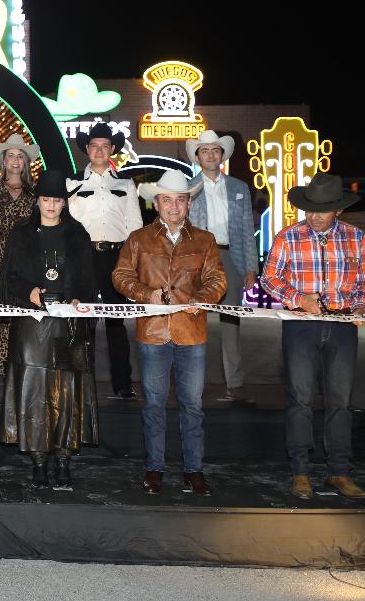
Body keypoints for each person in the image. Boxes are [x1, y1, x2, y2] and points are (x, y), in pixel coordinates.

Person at [260, 172, 365, 500]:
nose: (314, 216)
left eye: (322, 211)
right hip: (300, 326)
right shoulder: (288, 237)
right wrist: (299, 299)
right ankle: (300, 472)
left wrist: (360, 305)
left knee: (341, 402)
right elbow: (269, 278)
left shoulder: (356, 238)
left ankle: (339, 472)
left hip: (343, 326)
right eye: (309, 209)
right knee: (300, 401)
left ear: (338, 210)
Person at [112, 170, 226, 496]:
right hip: (153, 333)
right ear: (156, 203)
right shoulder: (138, 238)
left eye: (179, 200)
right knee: (154, 405)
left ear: (188, 203)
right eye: (167, 200)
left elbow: (217, 280)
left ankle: (194, 470)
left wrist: (200, 299)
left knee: (193, 406)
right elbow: (120, 275)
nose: (173, 206)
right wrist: (145, 293)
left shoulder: (205, 240)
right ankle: (155, 469)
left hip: (192, 332)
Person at [0, 170, 98, 489]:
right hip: (32, 326)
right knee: (34, 394)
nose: (51, 206)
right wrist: (28, 292)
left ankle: (64, 460)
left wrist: (79, 297)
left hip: (68, 325)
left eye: (57, 200)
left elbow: (89, 280)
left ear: (64, 203)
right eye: (46, 199)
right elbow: (8, 279)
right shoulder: (21, 235)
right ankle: (39, 461)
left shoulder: (78, 235)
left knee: (68, 393)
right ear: (37, 201)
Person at [66, 121, 143, 399]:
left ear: (112, 150)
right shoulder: (72, 182)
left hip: (116, 257)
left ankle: (123, 384)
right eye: (94, 146)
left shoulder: (125, 183)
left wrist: (133, 262)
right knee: (84, 322)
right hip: (83, 258)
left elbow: (135, 226)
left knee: (116, 322)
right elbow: (67, 226)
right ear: (87, 149)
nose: (99, 150)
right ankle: (82, 383)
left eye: (105, 146)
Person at [187, 130, 258, 402]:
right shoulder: (188, 188)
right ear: (197, 157)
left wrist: (251, 267)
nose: (210, 155)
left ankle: (235, 383)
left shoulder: (240, 188)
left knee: (230, 320)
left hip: (231, 257)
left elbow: (247, 230)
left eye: (215, 150)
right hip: (198, 259)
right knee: (194, 319)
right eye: (204, 151)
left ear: (222, 155)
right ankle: (193, 382)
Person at [0, 133, 40, 376]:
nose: (15, 160)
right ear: (3, 161)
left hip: (23, 264)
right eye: (10, 155)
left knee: (19, 313)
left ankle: (17, 361)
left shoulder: (34, 194)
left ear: (26, 162)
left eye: (20, 156)